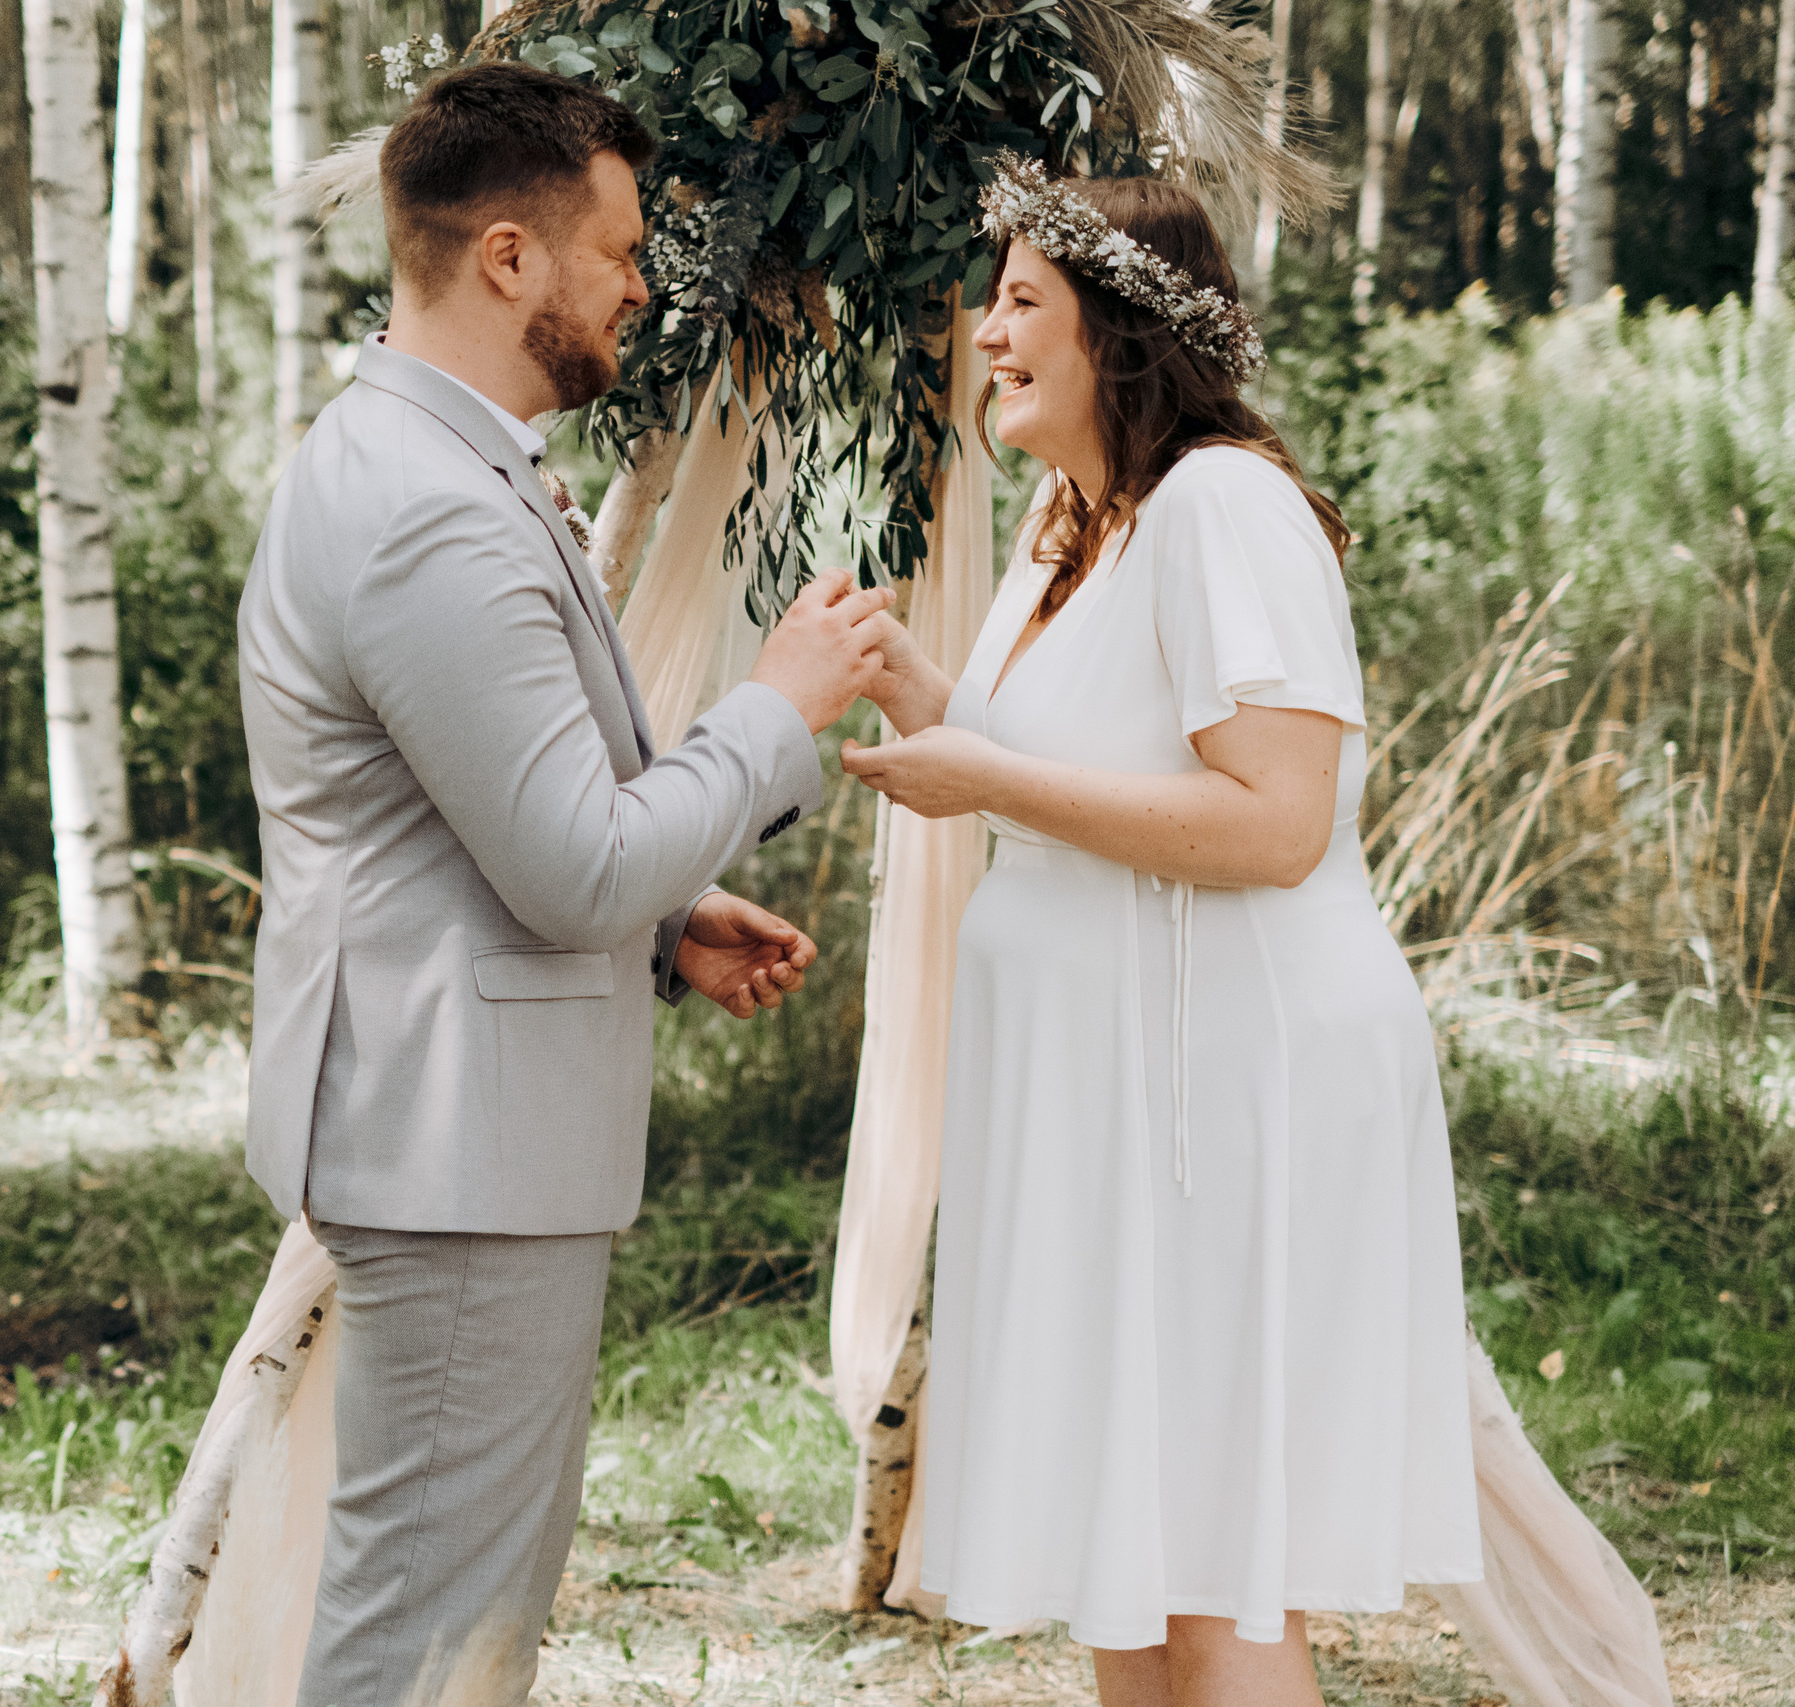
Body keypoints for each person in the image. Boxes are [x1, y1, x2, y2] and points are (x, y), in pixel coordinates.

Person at [234, 63, 891, 1707]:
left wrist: (671, 926)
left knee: (457, 1611)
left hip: (460, 1123)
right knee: (432, 1633)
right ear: (509, 257)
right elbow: (572, 866)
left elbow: (488, 822)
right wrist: (778, 703)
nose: (643, 283)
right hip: (461, 1144)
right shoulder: (427, 513)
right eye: (617, 249)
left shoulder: (435, 462)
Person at [840, 159, 1484, 1707]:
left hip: (1230, 1088)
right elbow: (1079, 759)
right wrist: (913, 693)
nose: (985, 332)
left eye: (1019, 300)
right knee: (1126, 1562)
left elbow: (1277, 820)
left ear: (1117, 327)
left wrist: (978, 775)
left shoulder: (1221, 506)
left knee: (1213, 1559)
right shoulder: (1079, 524)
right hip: (1113, 1096)